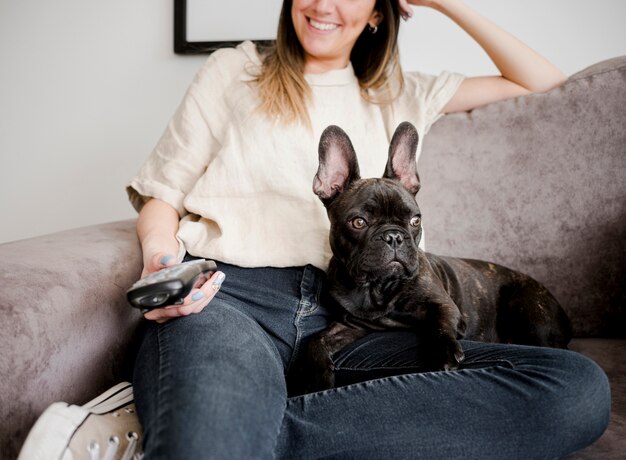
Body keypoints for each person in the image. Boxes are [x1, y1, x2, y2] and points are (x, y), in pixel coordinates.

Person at [127, 0, 610, 458]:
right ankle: (249, 430)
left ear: (379, 10)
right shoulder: (234, 70)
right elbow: (161, 196)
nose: (322, 5)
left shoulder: (400, 91)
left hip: (363, 320)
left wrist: (442, 2)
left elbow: (547, 84)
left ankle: (258, 431)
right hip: (235, 302)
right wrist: (161, 261)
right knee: (206, 440)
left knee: (577, 390)